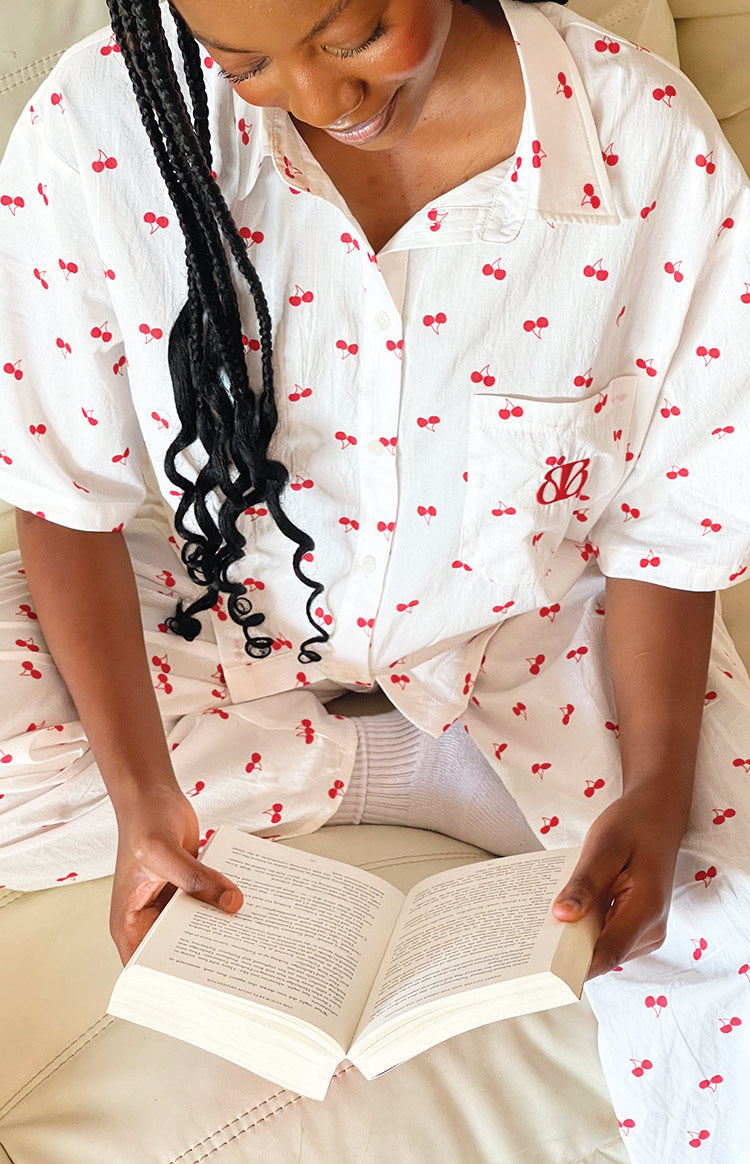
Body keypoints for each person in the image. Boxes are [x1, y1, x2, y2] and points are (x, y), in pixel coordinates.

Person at [0, 0, 748, 1157]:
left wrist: (651, 784)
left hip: (538, 646)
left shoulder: (651, 151)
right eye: (243, 62)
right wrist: (144, 794)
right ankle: (393, 768)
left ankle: (463, 768)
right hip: (213, 619)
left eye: (351, 35)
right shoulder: (97, 127)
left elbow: (673, 529)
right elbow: (63, 493)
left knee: (730, 912)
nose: (318, 100)